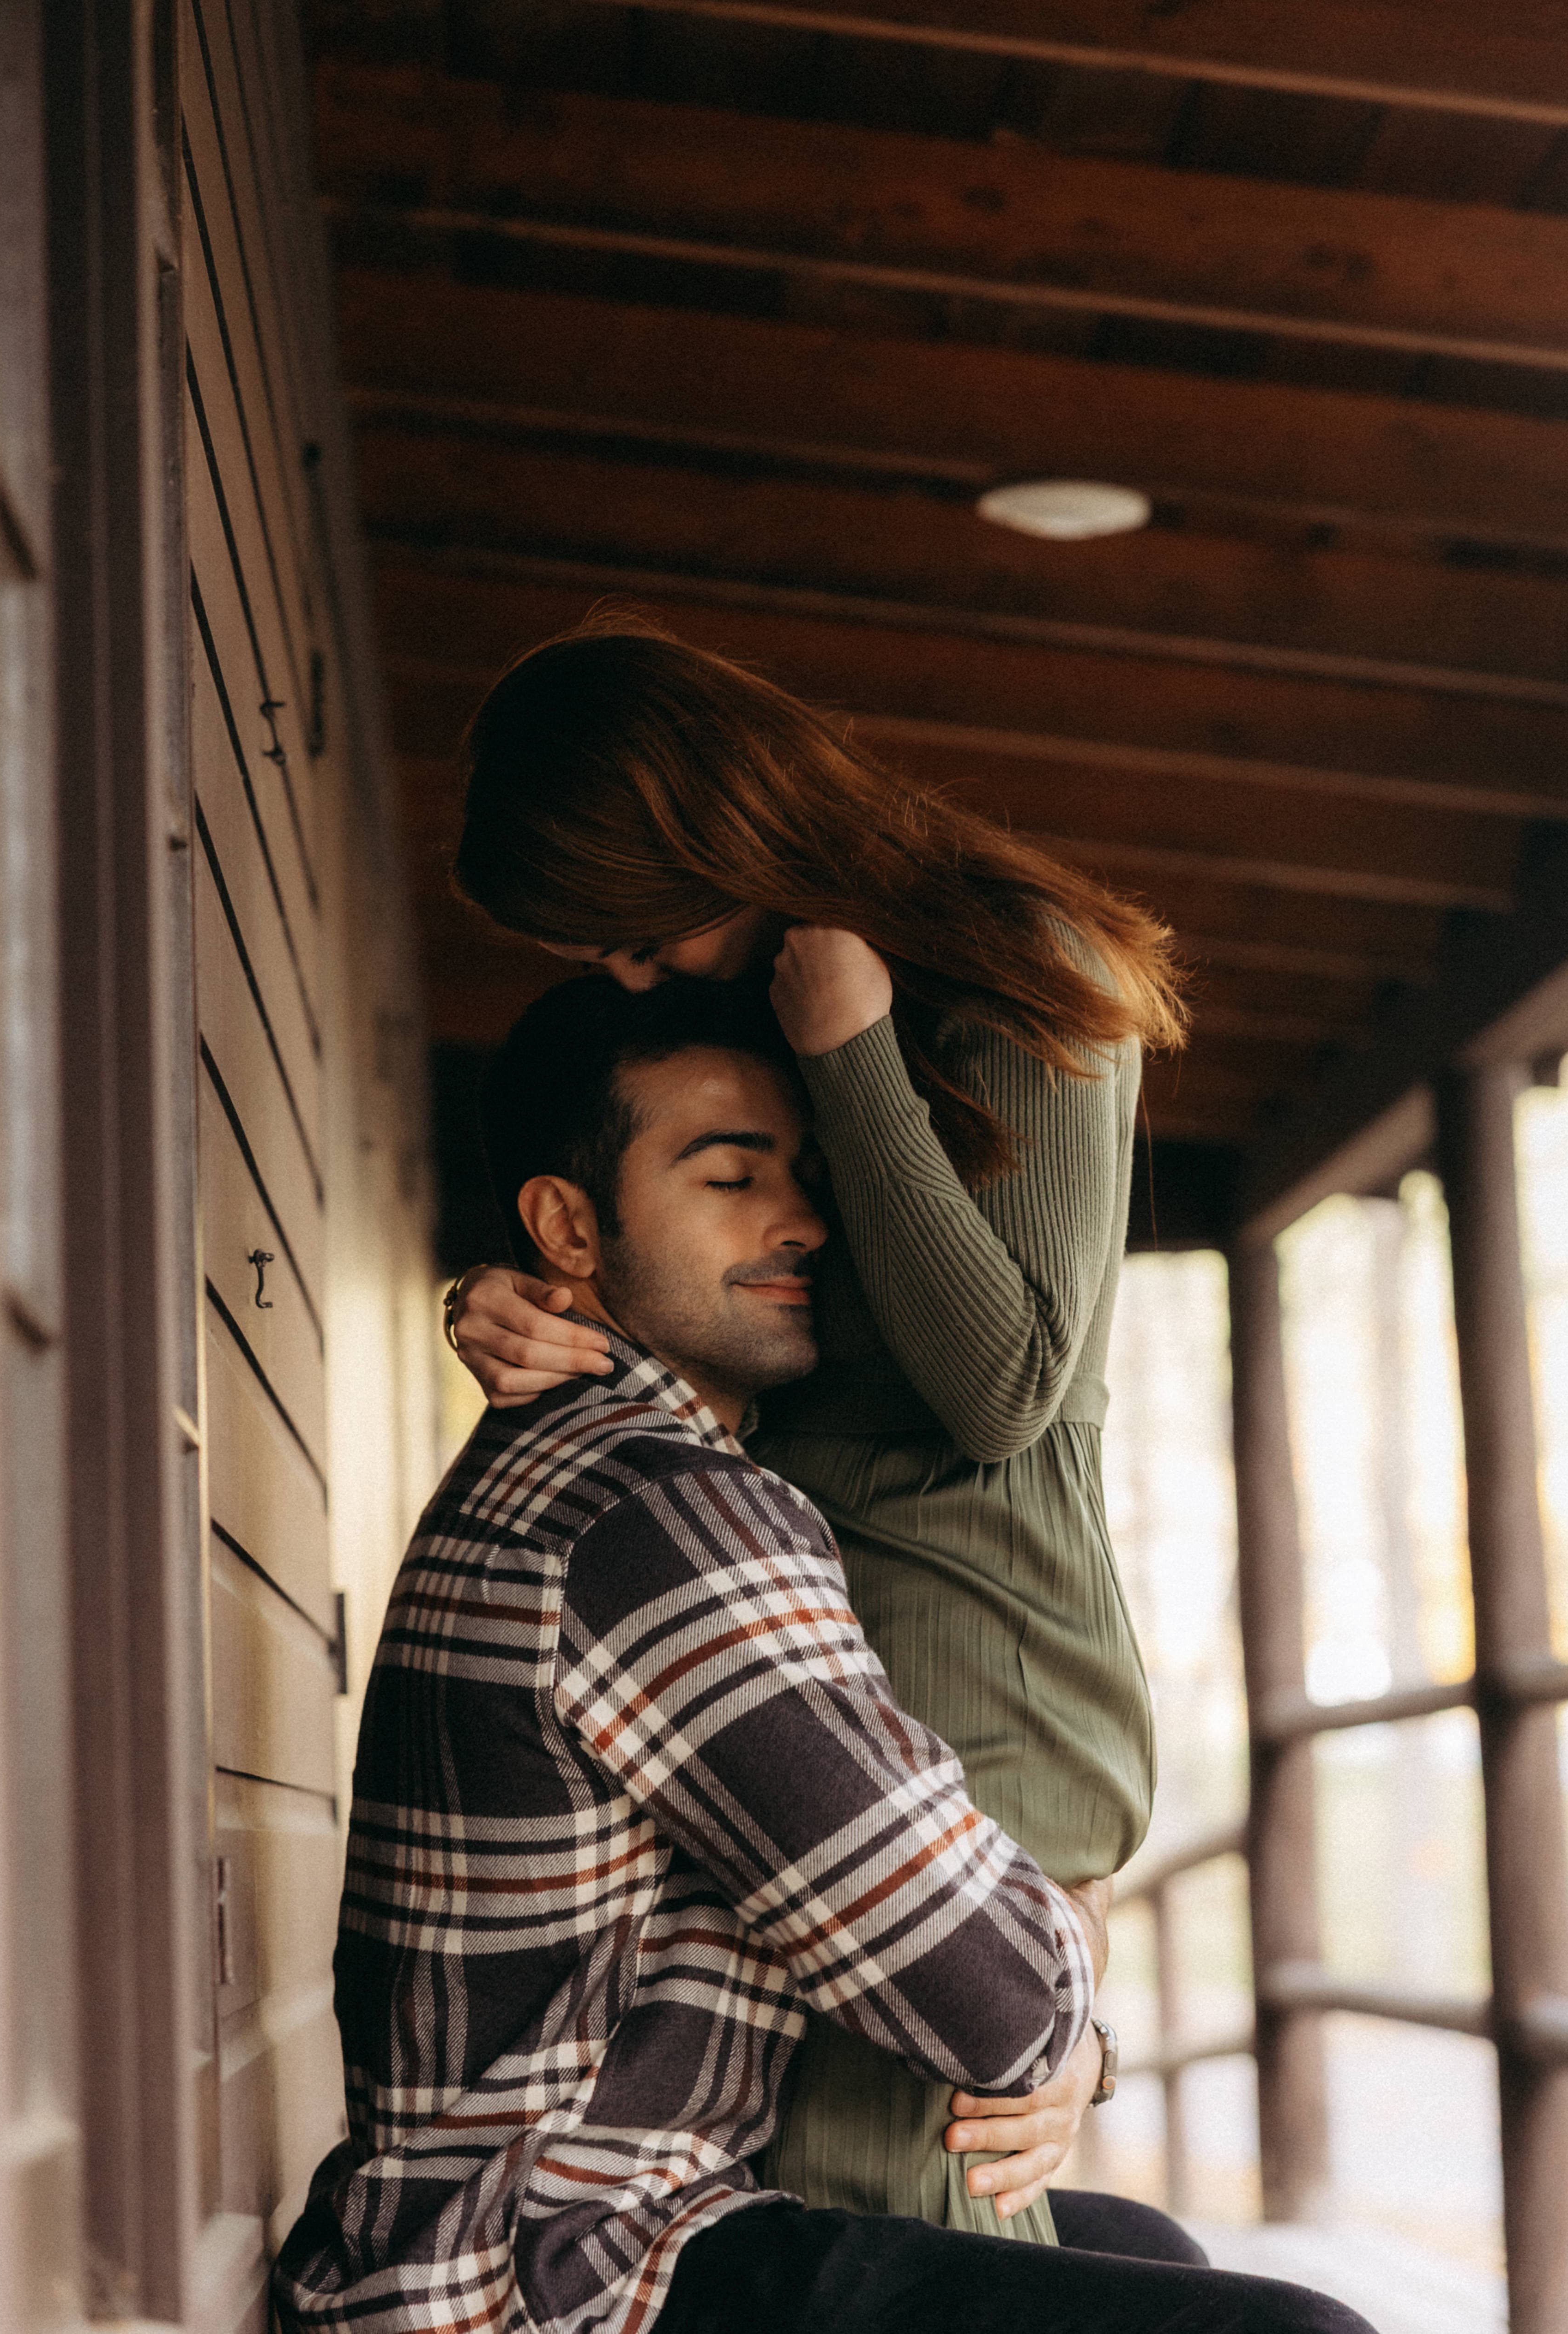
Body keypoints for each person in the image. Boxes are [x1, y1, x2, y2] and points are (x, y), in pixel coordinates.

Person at [276, 978, 1373, 2334]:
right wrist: (1076, 1940)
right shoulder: (660, 1515)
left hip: (543, 2224)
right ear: (567, 1226)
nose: (801, 1223)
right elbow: (992, 1998)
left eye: (808, 1174)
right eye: (730, 1177)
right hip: (543, 2283)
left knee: (1143, 2247)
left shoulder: (574, 1463)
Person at [447, 615, 1181, 2237]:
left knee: (910, 2219)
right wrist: (523, 1299)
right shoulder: (757, 1012)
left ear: (710, 831)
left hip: (968, 1660)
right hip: (813, 1661)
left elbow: (1006, 1388)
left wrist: (854, 1051)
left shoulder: (1019, 969)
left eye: (633, 930)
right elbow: (707, 1293)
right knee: (936, 2222)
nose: (628, 975)